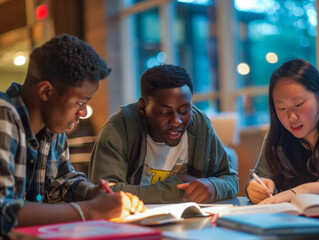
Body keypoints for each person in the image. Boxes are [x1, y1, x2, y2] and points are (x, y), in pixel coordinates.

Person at [0, 34, 144, 236]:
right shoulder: (3, 115)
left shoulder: (53, 130)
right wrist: (91, 210)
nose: (83, 112)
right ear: (46, 91)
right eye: (80, 102)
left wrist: (92, 193)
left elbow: (61, 181)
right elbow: (2, 210)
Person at [89, 64, 239, 204]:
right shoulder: (119, 128)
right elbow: (104, 192)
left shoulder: (200, 124)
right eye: (164, 113)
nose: (176, 122)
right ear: (143, 107)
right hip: (135, 222)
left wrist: (213, 186)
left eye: (185, 110)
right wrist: (175, 189)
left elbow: (230, 179)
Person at [245, 58, 319, 204]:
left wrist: (304, 191)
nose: (291, 117)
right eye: (282, 108)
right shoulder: (278, 135)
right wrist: (255, 188)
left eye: (298, 104)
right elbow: (259, 176)